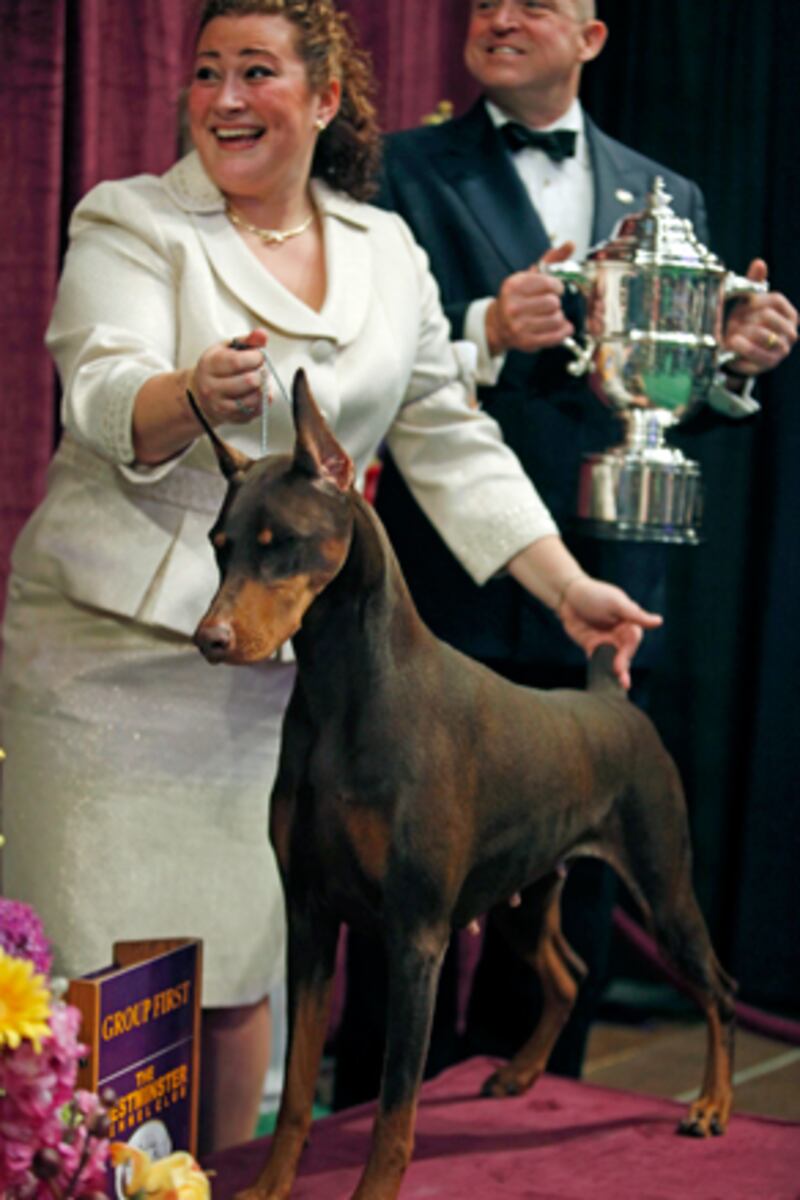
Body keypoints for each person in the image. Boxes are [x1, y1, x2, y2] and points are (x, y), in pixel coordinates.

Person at [0, 0, 663, 1157]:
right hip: (107, 668)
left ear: (324, 100)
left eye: (257, 71)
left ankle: (214, 1182)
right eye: (206, 72)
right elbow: (98, 389)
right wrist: (185, 396)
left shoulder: (382, 248)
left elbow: (446, 436)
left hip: (281, 678)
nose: (223, 97)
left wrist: (561, 586)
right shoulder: (133, 220)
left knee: (245, 967)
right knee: (119, 977)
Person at [333, 0, 799, 1108]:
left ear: (592, 37)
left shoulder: (665, 191)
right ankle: (365, 1124)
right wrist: (486, 328)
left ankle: (534, 1113)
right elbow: (367, 356)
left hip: (607, 572)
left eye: (531, 2)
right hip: (445, 580)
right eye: (483, 1)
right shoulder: (396, 169)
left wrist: (729, 361)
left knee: (576, 871)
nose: (499, 17)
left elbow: (667, 393)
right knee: (405, 886)